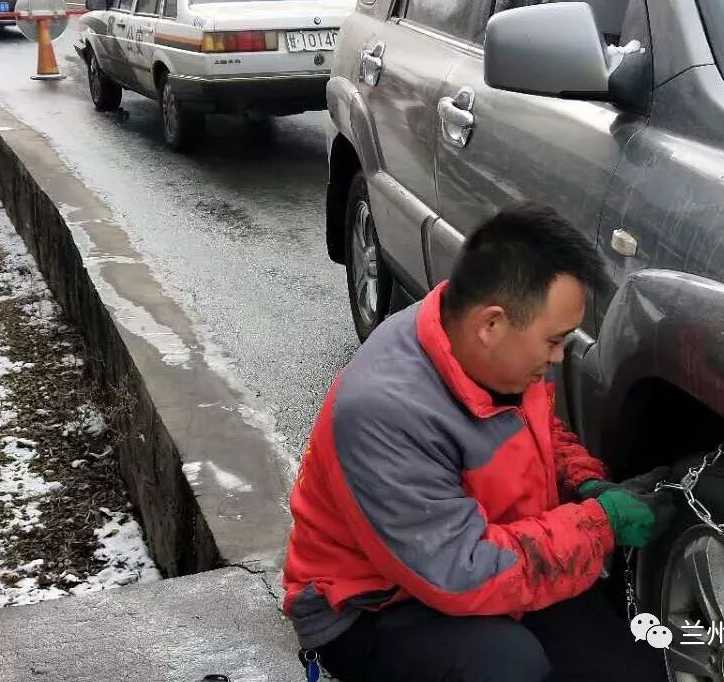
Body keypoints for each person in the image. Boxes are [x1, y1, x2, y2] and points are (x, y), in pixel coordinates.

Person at [282, 202, 674, 681]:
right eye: (554, 341)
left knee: (626, 669)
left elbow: (539, 432)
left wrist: (584, 483)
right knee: (508, 667)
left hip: (483, 551)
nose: (556, 358)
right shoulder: (384, 413)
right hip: (372, 602)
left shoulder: (493, 351)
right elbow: (459, 573)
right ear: (491, 324)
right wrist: (597, 526)